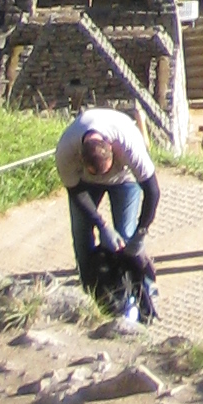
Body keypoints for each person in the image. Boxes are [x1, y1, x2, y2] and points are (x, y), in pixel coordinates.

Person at [54, 110, 160, 295]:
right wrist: (102, 225)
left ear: (111, 149)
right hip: (85, 184)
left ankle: (145, 287)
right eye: (98, 172)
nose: (104, 177)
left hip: (124, 178)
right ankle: (91, 291)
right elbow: (76, 192)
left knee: (126, 236)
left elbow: (152, 192)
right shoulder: (66, 150)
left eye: (105, 170)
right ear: (81, 157)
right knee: (81, 237)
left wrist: (141, 233)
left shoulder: (128, 143)